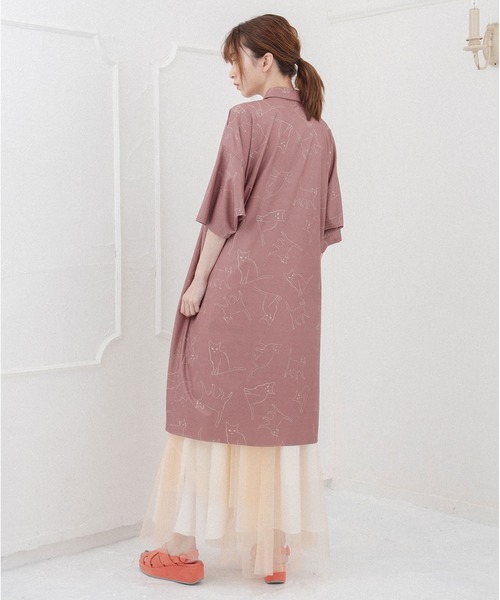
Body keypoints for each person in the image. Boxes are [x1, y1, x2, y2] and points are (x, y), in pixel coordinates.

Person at [138, 13, 344, 585]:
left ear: (265, 59)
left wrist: (199, 282)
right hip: (294, 305)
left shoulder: (245, 120)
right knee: (273, 415)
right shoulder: (320, 131)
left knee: (203, 408)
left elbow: (222, 216)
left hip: (234, 294)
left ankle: (181, 550)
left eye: (236, 60)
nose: (231, 73)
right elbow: (323, 229)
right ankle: (270, 553)